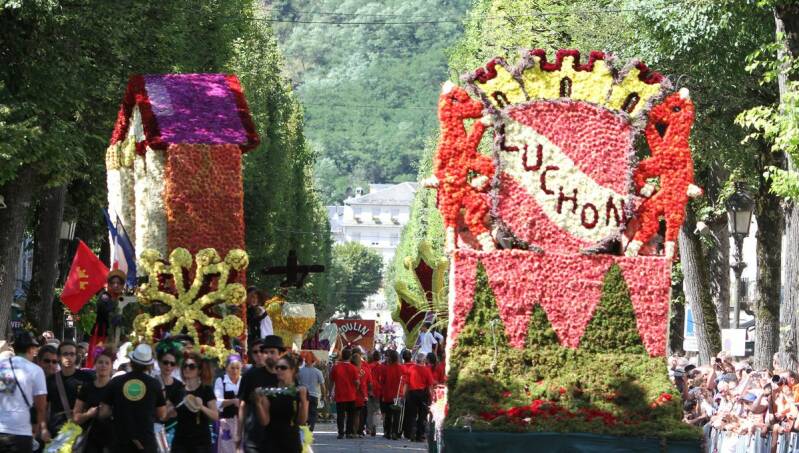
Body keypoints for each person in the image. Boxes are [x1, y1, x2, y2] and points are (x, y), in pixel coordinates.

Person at [99, 343, 167, 452]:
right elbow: (162, 414)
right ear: (149, 365)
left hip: (120, 441)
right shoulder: (154, 384)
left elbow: (103, 412)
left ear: (131, 362)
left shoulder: (116, 381)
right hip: (145, 441)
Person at [0, 332, 49, 452]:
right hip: (21, 432)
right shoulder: (36, 370)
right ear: (31, 349)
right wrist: (41, 428)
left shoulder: (3, 366)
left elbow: (6, 395)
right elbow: (41, 406)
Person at [252, 353, 309, 453]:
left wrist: (303, 400)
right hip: (270, 442)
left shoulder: (300, 391)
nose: (278, 370)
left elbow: (301, 421)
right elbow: (264, 421)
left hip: (291, 442)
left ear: (292, 370)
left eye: (283, 368)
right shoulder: (268, 391)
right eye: (277, 367)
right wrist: (258, 403)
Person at [237, 336, 282, 453]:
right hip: (254, 437)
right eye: (255, 352)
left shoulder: (285, 375)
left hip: (278, 438)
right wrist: (238, 434)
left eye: (263, 351)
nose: (260, 354)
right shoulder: (249, 376)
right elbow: (243, 405)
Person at [171, 352, 217, 453]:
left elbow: (215, 416)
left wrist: (201, 407)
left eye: (192, 366)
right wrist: (171, 412)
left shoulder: (206, 390)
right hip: (180, 441)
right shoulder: (178, 390)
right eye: (185, 366)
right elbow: (168, 415)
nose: (187, 369)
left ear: (199, 370)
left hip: (201, 443)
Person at [46, 340, 94, 435]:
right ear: (59, 357)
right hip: (57, 431)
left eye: (72, 354)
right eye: (65, 354)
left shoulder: (87, 378)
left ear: (76, 356)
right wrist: (44, 429)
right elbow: (44, 408)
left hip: (80, 430)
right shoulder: (50, 380)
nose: (68, 357)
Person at [73, 348, 115, 453]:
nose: (103, 365)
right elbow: (76, 418)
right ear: (95, 364)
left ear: (111, 366)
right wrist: (88, 414)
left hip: (110, 441)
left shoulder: (116, 388)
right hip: (89, 440)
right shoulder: (87, 387)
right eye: (100, 362)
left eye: (107, 363)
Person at [154, 340, 184, 448]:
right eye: (165, 362)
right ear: (159, 362)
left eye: (172, 364)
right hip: (150, 432)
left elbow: (171, 413)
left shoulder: (179, 386)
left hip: (171, 431)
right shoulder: (151, 382)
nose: (168, 366)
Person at [214, 354, 242, 453]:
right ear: (226, 368)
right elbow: (217, 402)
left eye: (237, 368)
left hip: (241, 423)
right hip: (226, 422)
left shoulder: (243, 381)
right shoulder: (221, 381)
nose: (235, 371)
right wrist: (233, 401)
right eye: (232, 368)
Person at [403, 353, 434, 442]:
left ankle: (412, 430)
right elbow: (430, 386)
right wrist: (431, 397)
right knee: (422, 415)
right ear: (423, 361)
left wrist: (404, 394)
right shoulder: (427, 370)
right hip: (422, 394)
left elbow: (406, 383)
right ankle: (419, 435)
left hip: (412, 393)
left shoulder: (411, 369)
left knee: (412, 414)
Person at [330, 348, 359, 439]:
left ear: (342, 356)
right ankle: (349, 432)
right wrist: (356, 389)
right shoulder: (354, 368)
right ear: (350, 357)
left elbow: (331, 381)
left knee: (340, 415)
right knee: (351, 415)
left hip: (340, 395)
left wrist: (330, 392)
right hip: (351, 395)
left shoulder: (336, 367)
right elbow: (357, 382)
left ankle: (341, 432)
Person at [297, 352, 326, 431]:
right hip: (314, 396)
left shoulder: (300, 371)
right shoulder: (318, 372)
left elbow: (296, 383)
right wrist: (324, 396)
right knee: (312, 415)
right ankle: (310, 431)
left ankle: (302, 431)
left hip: (302, 395)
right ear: (314, 361)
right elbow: (322, 386)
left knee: (302, 413)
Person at [351, 350, 370, 437]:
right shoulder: (366, 369)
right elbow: (369, 383)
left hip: (351, 394)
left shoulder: (350, 369)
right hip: (361, 395)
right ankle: (358, 431)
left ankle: (351, 430)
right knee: (359, 414)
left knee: (351, 414)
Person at [366, 350, 383, 437]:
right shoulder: (381, 367)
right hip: (378, 390)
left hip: (369, 389)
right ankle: (374, 427)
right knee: (376, 410)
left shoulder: (368, 366)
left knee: (369, 410)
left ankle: (369, 428)